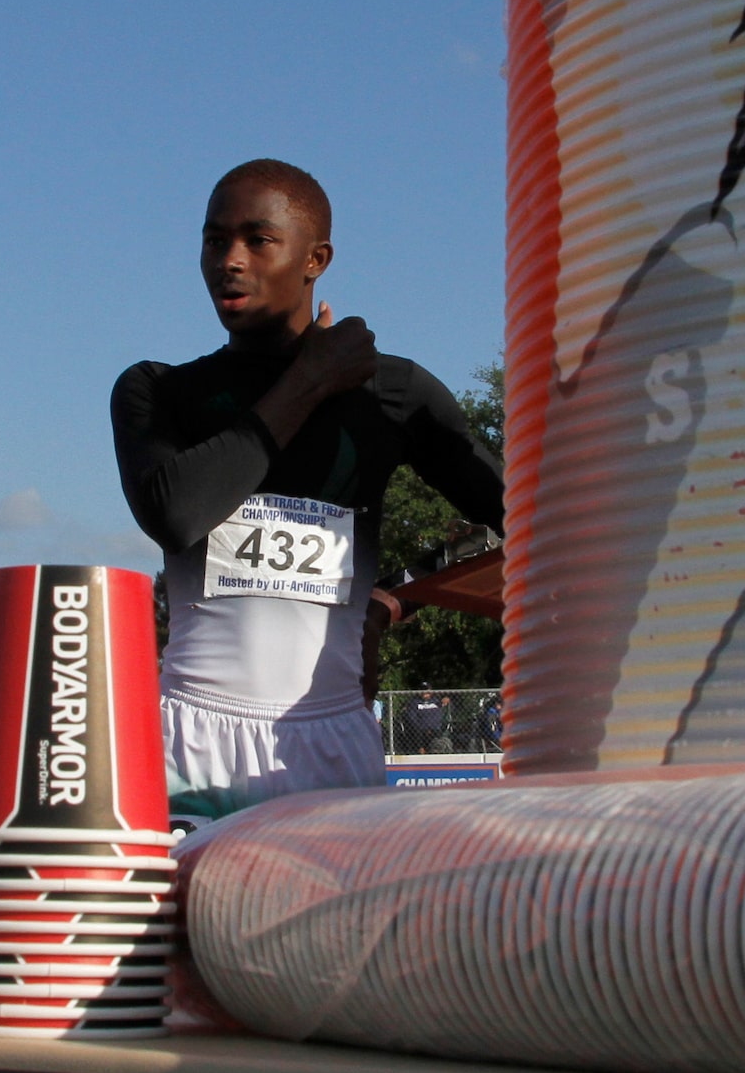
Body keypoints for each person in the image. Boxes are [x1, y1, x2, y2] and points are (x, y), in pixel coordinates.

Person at [113, 160, 504, 825]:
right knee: (174, 931)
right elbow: (176, 515)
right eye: (214, 240)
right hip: (191, 741)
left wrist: (394, 603)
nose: (229, 261)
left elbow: (527, 516)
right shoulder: (157, 391)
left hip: (332, 740)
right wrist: (310, 380)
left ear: (314, 258)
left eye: (257, 240)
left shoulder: (393, 396)